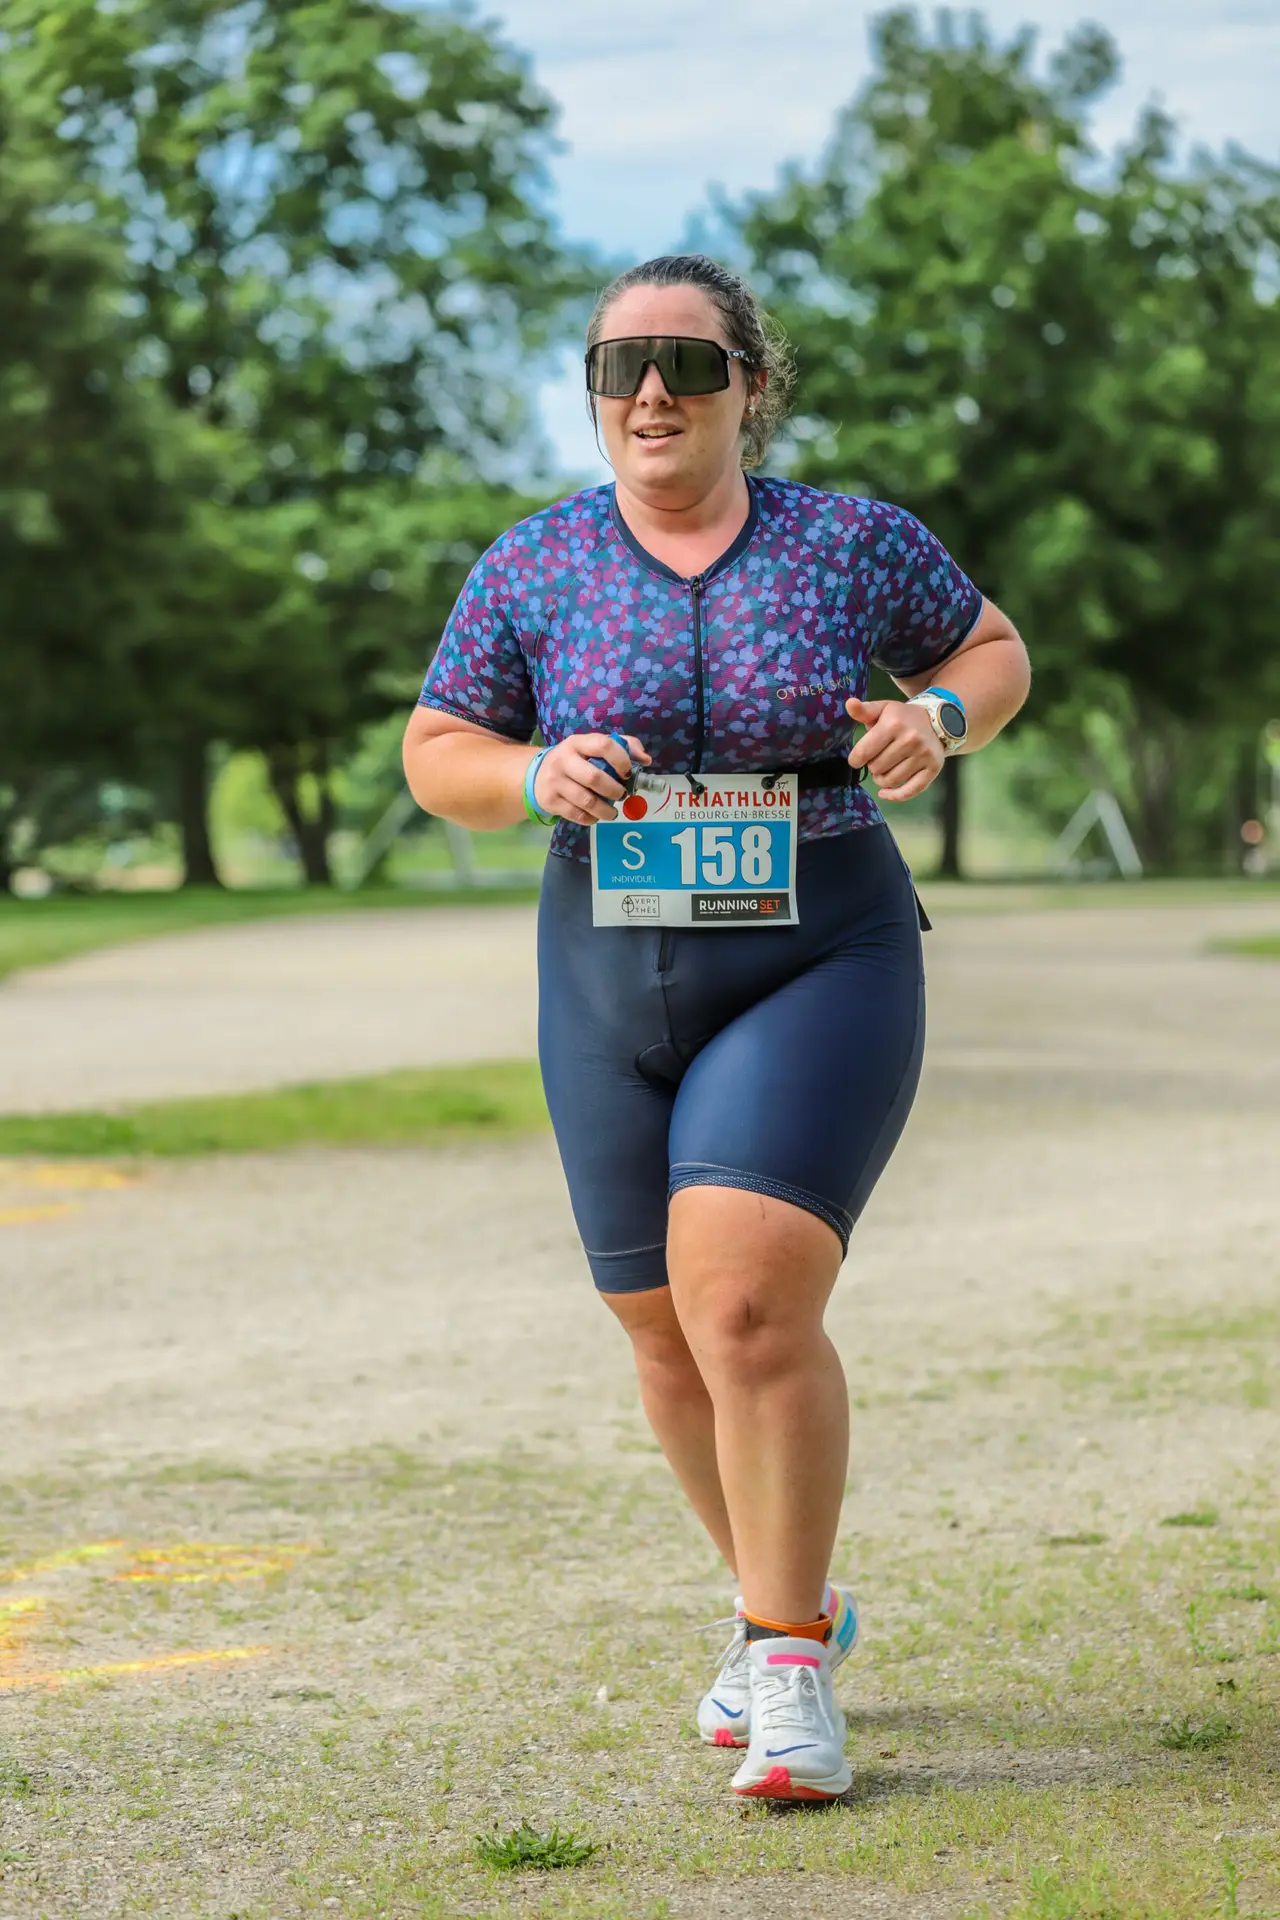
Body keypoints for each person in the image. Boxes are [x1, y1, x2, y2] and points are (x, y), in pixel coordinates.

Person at [403, 254, 1030, 1801]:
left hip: (817, 949)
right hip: (604, 969)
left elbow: (992, 652)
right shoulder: (533, 566)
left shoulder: (850, 543)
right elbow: (438, 745)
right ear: (596, 397)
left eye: (687, 362)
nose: (653, 396)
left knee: (743, 1299)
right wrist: (526, 774)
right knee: (664, 1329)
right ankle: (790, 1608)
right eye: (621, 369)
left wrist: (934, 718)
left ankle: (788, 1671)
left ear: (753, 381)